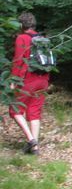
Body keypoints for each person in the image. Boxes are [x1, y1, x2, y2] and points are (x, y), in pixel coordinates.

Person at [9, 12, 50, 155]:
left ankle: (31, 140)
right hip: (43, 80)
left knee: (15, 110)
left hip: (28, 80)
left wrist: (14, 81)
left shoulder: (22, 38)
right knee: (34, 111)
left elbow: (18, 61)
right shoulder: (42, 38)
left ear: (21, 25)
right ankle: (35, 149)